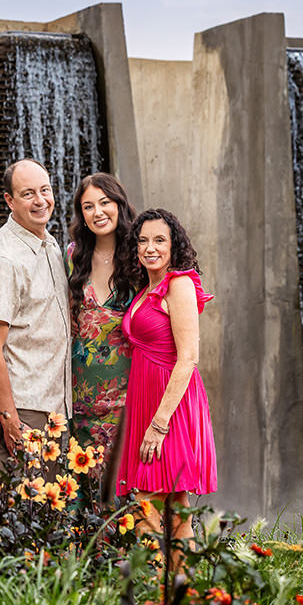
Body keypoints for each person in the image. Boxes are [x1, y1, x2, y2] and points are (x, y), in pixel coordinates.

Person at [116, 208, 217, 558]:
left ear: (175, 245)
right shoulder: (148, 287)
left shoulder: (179, 284)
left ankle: (152, 596)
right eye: (143, 241)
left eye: (160, 240)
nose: (150, 248)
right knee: (176, 503)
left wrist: (159, 424)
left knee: (146, 505)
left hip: (169, 408)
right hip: (148, 400)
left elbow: (188, 357)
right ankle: (180, 597)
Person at [0, 158, 71, 480]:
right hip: (23, 407)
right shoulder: (4, 258)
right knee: (19, 518)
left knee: (46, 517)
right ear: (9, 201)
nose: (40, 200)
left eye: (45, 190)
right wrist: (9, 419)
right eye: (28, 193)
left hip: (53, 405)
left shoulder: (50, 244)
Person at [66, 173, 138, 479]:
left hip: (129, 396)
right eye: (88, 206)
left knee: (129, 495)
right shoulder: (72, 256)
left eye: (105, 202)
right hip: (82, 398)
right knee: (86, 496)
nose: (98, 212)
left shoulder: (140, 255)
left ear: (119, 203)